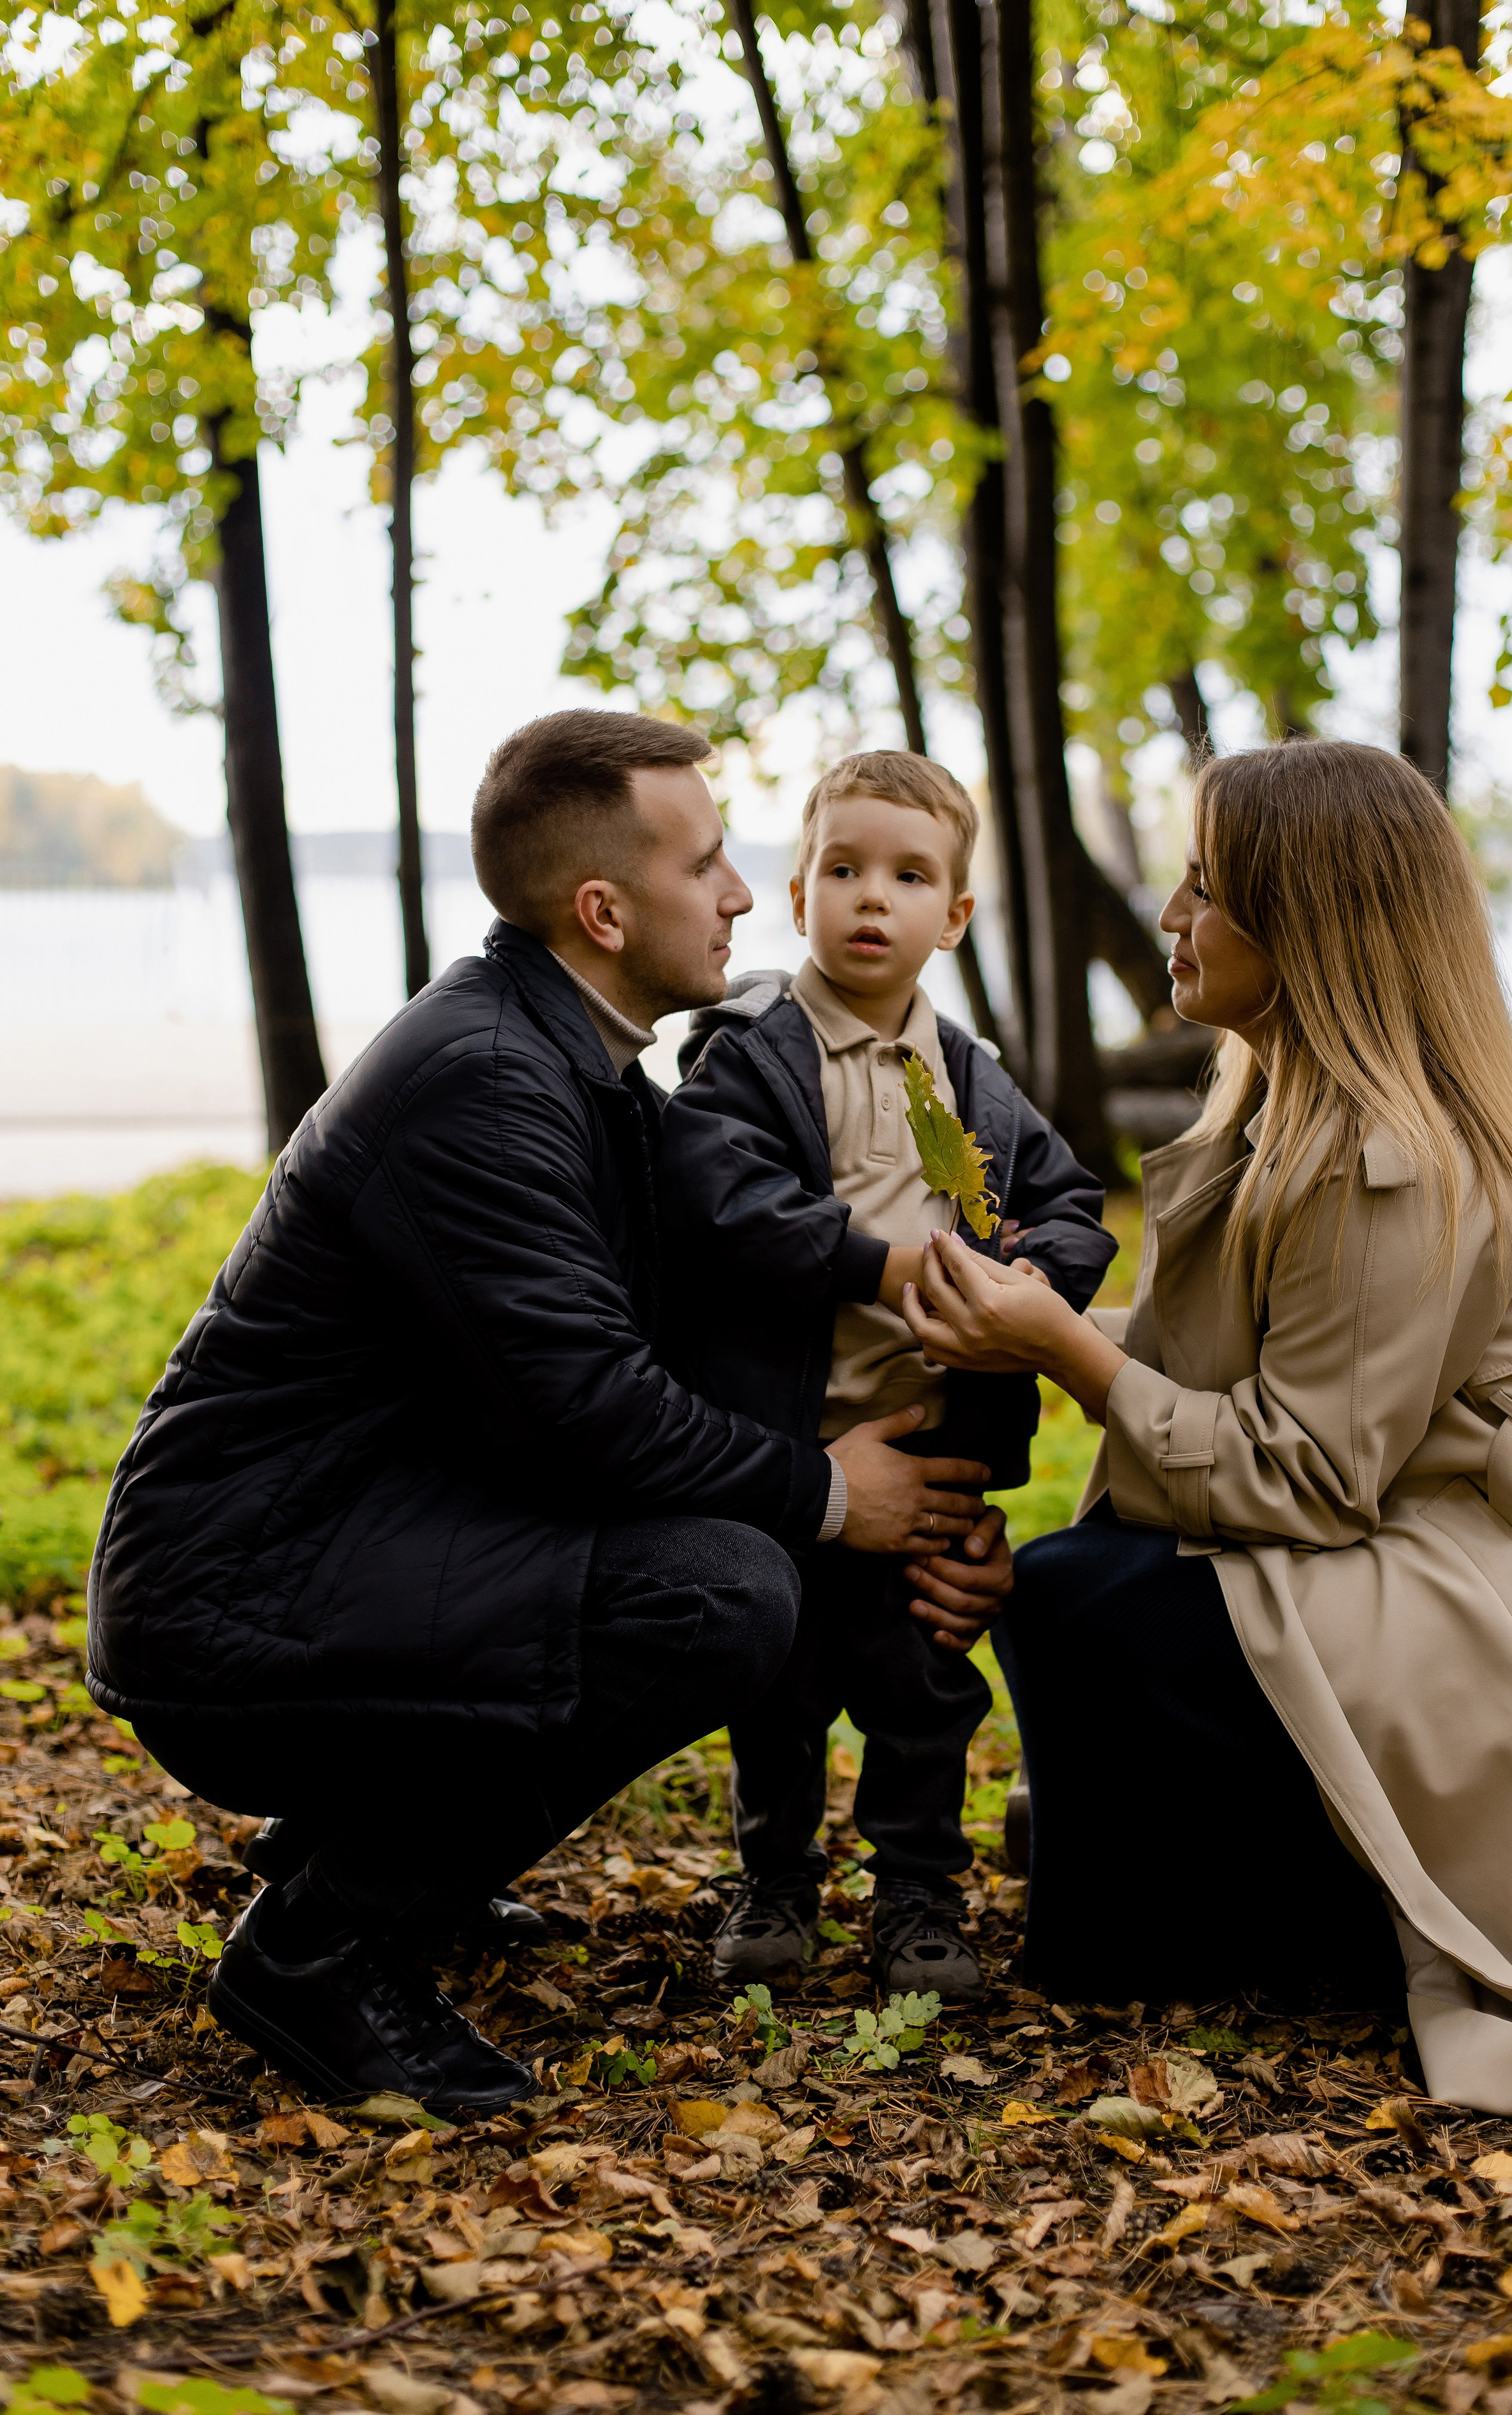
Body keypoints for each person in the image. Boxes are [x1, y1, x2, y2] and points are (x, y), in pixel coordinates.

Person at [85, 710, 1014, 2112]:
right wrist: (834, 1499)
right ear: (602, 909)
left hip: (331, 1555)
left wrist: (939, 1502)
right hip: (230, 1608)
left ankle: (359, 1850)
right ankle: (327, 1944)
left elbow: (672, 1349)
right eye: (705, 864)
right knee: (715, 1597)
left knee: (718, 1564)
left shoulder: (576, 1060)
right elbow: (603, 1416)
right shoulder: (494, 1085)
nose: (743, 896)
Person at [905, 738, 1512, 2121]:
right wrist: (1028, 1326)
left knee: (1088, 1602)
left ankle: (1270, 1908)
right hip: (1413, 1499)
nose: (1170, 919)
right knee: (1084, 1591)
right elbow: (1257, 1372)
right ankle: (1223, 1874)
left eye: (1204, 890)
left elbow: (1301, 1472)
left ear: (1310, 924)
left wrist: (1059, 1345)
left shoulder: (1388, 1163)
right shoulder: (1289, 1107)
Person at [660, 752, 1115, 2002]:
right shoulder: (749, 1055)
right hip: (792, 1448)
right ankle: (775, 1880)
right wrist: (875, 1265)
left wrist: (1024, 1292)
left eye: (908, 877)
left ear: (953, 918)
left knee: (921, 1679)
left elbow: (1069, 1207)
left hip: (933, 1447)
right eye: (844, 871)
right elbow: (720, 1203)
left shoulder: (963, 1078)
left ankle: (917, 1890)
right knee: (783, 1684)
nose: (873, 899)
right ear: (796, 889)